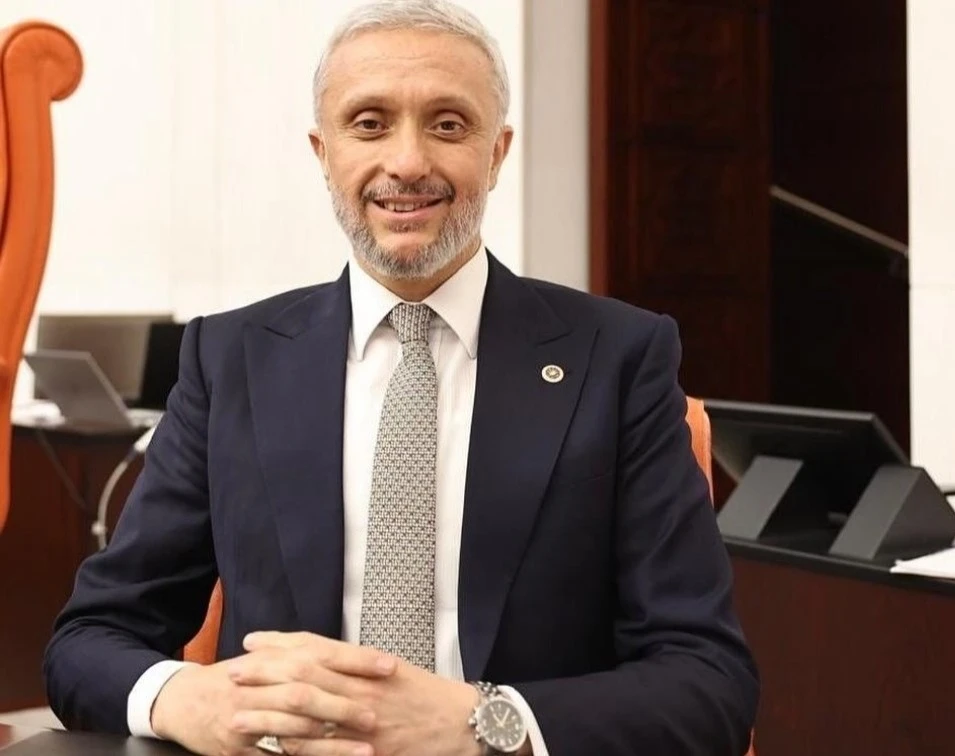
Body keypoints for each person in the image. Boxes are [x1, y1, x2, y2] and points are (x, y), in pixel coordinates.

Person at [43, 1, 759, 754]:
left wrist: (484, 723)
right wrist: (187, 700)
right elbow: (90, 640)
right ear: (324, 153)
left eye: (448, 124)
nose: (408, 162)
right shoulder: (229, 360)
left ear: (496, 153)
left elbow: (708, 681)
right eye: (369, 123)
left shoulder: (619, 358)